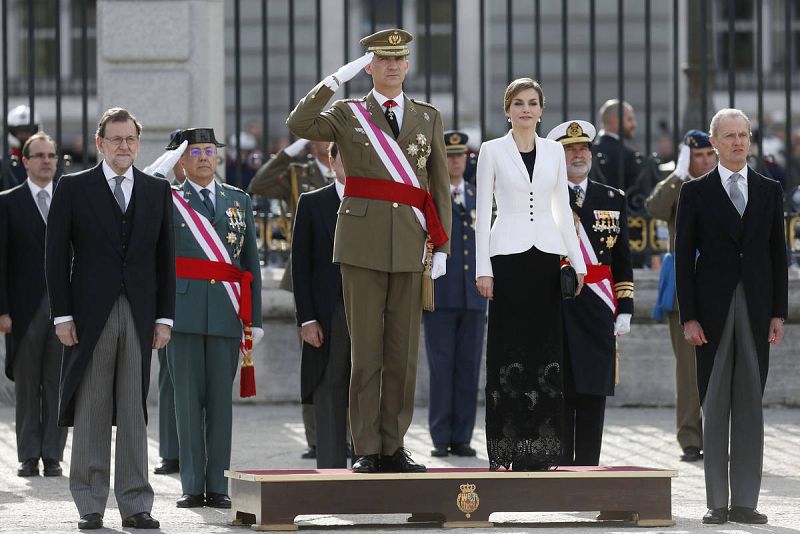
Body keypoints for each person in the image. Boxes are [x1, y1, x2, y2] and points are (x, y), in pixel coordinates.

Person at [287, 28, 451, 474]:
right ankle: (365, 447)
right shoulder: (347, 113)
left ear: (408, 65)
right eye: (382, 60)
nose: (392, 66)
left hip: (410, 244)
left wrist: (442, 245)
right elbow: (299, 124)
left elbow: (438, 184)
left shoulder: (427, 117)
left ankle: (393, 444)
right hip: (360, 245)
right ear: (370, 66)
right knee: (366, 352)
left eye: (399, 59)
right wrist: (334, 80)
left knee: (403, 352)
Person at [45, 107, 175, 530]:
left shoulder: (157, 190)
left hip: (139, 314)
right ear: (100, 144)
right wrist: (62, 315)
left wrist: (165, 318)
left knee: (134, 411)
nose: (124, 147)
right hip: (89, 314)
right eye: (116, 140)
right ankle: (90, 503)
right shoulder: (73, 187)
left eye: (131, 140)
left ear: (139, 144)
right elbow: (55, 256)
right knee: (93, 406)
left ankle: (136, 503)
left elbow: (165, 261)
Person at [675, 109, 788, 525]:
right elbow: (683, 258)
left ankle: (745, 501)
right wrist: (689, 316)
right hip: (712, 311)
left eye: (744, 135)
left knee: (749, 404)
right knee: (715, 399)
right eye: (730, 136)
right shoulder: (695, 192)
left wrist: (779, 312)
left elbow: (778, 256)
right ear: (715, 142)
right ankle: (717, 502)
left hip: (757, 309)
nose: (739, 142)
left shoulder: (769, 190)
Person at [475, 78, 586, 471]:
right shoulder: (491, 150)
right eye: (518, 103)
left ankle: (542, 449)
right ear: (507, 109)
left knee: (545, 351)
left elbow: (561, 209)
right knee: (509, 350)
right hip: (506, 257)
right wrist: (483, 268)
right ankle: (507, 448)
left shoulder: (555, 151)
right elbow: (481, 214)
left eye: (533, 103)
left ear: (542, 109)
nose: (526, 109)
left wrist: (577, 261)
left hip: (545, 257)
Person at [166, 128, 263, 509]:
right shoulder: (169, 199)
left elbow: (250, 262)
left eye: (210, 151)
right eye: (196, 152)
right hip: (184, 313)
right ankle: (192, 483)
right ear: (183, 160)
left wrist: (253, 318)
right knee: (187, 402)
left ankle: (218, 484)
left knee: (221, 404)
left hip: (226, 313)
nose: (205, 157)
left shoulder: (237, 200)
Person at [545, 120, 633, 466]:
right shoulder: (546, 197)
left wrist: (625, 307)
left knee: (594, 389)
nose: (578, 155)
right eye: (570, 150)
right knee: (561, 388)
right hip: (559, 302)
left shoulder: (612, 198)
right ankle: (562, 466)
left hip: (599, 305)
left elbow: (623, 260)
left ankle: (589, 469)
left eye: (583, 149)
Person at [249, 135, 334, 460]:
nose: (323, 143)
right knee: (313, 358)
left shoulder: (354, 164)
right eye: (316, 137)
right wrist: (288, 152)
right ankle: (315, 437)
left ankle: (352, 435)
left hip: (348, 270)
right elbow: (260, 183)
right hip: (309, 271)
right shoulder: (299, 172)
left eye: (328, 136)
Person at [645, 129, 717, 463]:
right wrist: (679, 172)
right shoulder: (680, 186)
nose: (703, 161)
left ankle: (717, 433)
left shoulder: (726, 182)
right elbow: (655, 207)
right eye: (696, 155)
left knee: (721, 366)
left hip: (720, 284)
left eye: (707, 154)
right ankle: (691, 437)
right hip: (684, 288)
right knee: (688, 371)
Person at [0, 132, 68, 477]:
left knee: (58, 383)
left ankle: (53, 455)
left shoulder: (71, 199)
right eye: (39, 155)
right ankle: (28, 455)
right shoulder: (7, 202)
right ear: (25, 161)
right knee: (26, 385)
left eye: (51, 155)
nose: (46, 161)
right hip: (23, 312)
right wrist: (2, 310)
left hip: (64, 311)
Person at [424, 130, 486, 458]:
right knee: (441, 367)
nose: (455, 161)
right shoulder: (431, 198)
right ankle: (440, 435)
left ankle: (462, 435)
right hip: (441, 294)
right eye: (449, 156)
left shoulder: (479, 197)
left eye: (460, 156)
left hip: (473, 295)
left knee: (468, 366)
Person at [291, 142, 351, 468]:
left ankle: (368, 459)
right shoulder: (312, 203)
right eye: (346, 155)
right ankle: (330, 464)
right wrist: (307, 318)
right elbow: (299, 266)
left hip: (367, 310)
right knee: (329, 384)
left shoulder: (376, 200)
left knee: (368, 385)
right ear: (332, 160)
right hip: (329, 314)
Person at [153, 129, 186, 476]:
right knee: (169, 378)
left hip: (206, 296)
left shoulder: (221, 196)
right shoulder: (161, 195)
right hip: (171, 295)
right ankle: (170, 451)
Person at [593, 99, 642, 192]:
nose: (634, 124)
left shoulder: (590, 151)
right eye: (629, 119)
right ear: (615, 120)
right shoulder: (629, 155)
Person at [2, 105, 40, 190]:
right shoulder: (5, 162)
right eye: (19, 131)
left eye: (28, 130)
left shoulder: (45, 160)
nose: (24, 135)